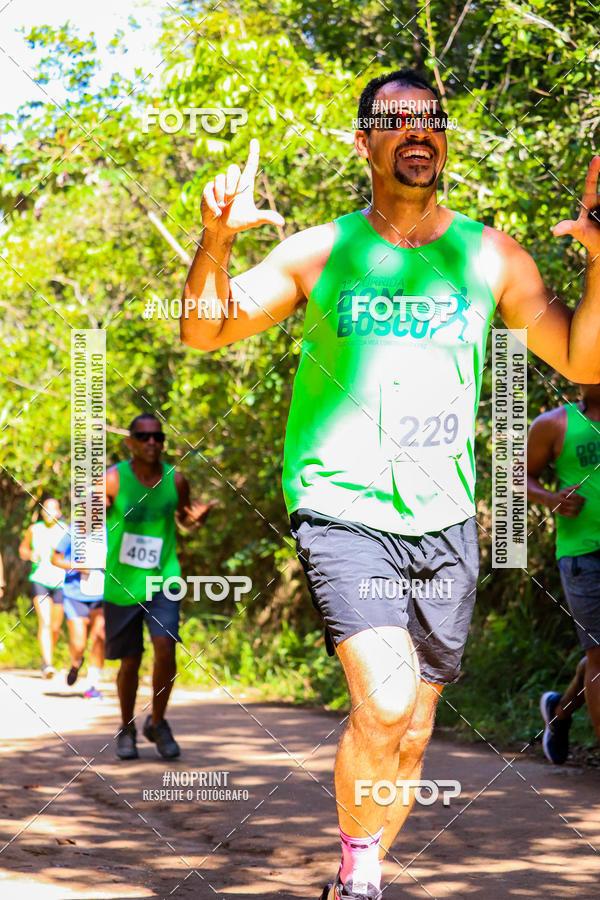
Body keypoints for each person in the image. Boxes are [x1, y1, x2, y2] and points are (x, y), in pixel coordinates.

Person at [180, 66, 600, 900]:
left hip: (444, 518)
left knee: (411, 730)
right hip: (341, 507)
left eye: (432, 120)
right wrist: (216, 243)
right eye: (397, 121)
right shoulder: (322, 251)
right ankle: (364, 877)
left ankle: (351, 873)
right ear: (363, 142)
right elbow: (203, 330)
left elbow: (582, 355)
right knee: (386, 698)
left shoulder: (490, 255)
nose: (419, 132)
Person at [103, 413, 217, 760]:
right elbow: (88, 521)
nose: (152, 442)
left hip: (163, 578)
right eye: (144, 436)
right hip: (122, 582)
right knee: (130, 662)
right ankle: (126, 727)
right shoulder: (112, 480)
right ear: (130, 442)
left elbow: (184, 520)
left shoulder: (175, 480)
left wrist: (196, 520)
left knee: (166, 649)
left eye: (158, 437)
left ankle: (157, 721)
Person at [527, 383, 600, 764]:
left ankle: (559, 713)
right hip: (583, 555)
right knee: (599, 656)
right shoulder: (554, 424)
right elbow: (519, 476)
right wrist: (550, 498)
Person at [51, 526, 106, 699]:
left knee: (100, 637)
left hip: (102, 594)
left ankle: (92, 685)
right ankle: (76, 663)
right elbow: (55, 558)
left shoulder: (111, 530)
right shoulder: (73, 530)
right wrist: (78, 566)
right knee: (79, 644)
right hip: (75, 595)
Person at [19, 498, 67, 678]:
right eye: (46, 509)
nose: (49, 513)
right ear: (41, 512)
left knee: (55, 626)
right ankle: (47, 664)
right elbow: (23, 550)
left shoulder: (66, 530)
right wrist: (30, 554)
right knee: (45, 622)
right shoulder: (34, 529)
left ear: (59, 512)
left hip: (61, 582)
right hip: (39, 579)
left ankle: (49, 656)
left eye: (53, 509)